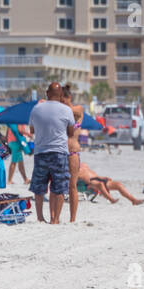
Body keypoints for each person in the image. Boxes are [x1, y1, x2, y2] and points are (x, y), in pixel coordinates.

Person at [29, 82, 77, 224]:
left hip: (41, 151)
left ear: (47, 93)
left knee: (39, 187)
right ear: (61, 95)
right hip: (59, 152)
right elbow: (70, 132)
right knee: (59, 186)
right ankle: (55, 219)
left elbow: (32, 130)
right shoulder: (66, 110)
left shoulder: (36, 108)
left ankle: (40, 217)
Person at [59, 85, 84, 223]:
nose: (61, 103)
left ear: (69, 98)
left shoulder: (78, 110)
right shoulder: (60, 111)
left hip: (73, 152)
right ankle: (56, 216)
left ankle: (72, 219)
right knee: (58, 185)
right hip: (59, 151)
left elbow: (71, 109)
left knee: (72, 186)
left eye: (63, 100)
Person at [77, 162, 144, 205]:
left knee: (118, 184)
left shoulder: (84, 164)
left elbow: (93, 174)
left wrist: (103, 177)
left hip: (98, 178)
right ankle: (111, 199)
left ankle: (133, 200)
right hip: (90, 183)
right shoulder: (74, 169)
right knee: (100, 184)